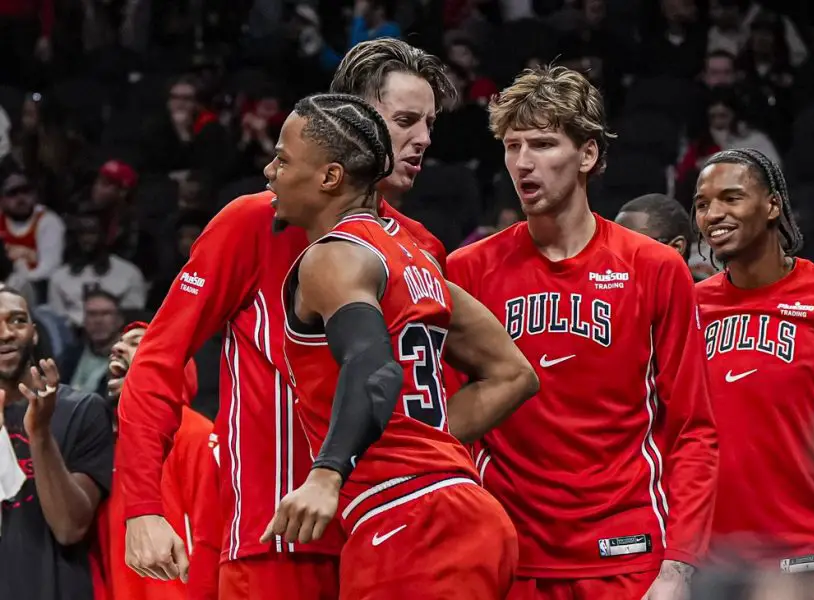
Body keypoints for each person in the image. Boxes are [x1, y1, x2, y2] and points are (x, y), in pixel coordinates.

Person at [118, 37, 536, 598]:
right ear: (351, 118)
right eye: (406, 120)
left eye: (430, 124)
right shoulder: (254, 223)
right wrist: (143, 504)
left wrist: (401, 466)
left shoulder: (420, 248)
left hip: (383, 520)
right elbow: (159, 360)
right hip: (280, 541)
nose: (424, 141)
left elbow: (455, 383)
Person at [446, 66, 719, 600]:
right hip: (506, 553)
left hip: (624, 554)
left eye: (544, 144)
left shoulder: (654, 267)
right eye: (512, 145)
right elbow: (449, 426)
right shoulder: (466, 271)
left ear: (588, 155)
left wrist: (679, 567)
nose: (523, 164)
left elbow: (694, 430)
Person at [263, 93, 528, 599]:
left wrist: (326, 474)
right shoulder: (414, 258)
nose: (270, 169)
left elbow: (372, 366)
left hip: (406, 515)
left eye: (283, 158)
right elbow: (514, 371)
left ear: (329, 177)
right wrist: (431, 446)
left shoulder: (333, 259)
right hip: (461, 506)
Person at [692, 148, 814, 573]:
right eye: (703, 204)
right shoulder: (689, 307)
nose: (714, 214)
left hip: (812, 556)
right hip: (714, 564)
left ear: (773, 204)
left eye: (732, 198)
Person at [0, 287, 114, 600]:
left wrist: (40, 434)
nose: (6, 333)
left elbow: (69, 527)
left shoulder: (82, 410)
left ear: (34, 334)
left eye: (17, 321)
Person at [92, 321, 219, 600]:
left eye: (135, 342)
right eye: (119, 343)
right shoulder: (108, 444)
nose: (116, 348)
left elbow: (212, 539)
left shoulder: (196, 433)